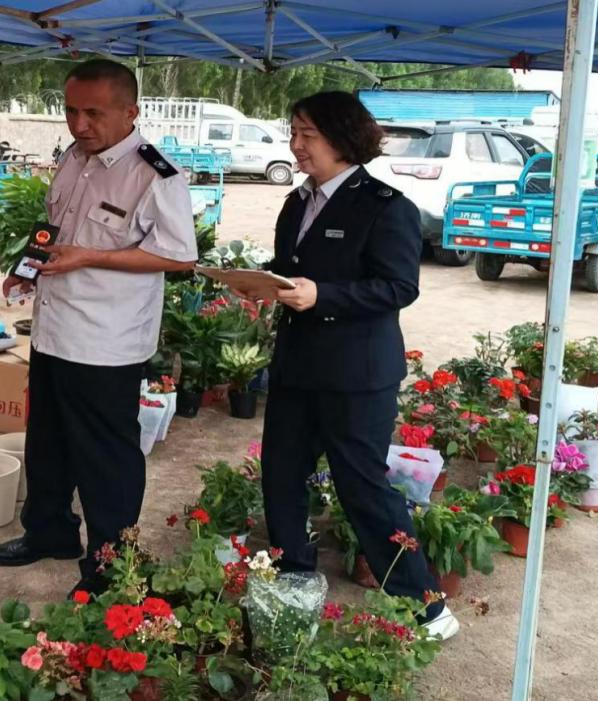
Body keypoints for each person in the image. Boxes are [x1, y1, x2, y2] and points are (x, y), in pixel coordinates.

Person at [234, 91, 459, 640]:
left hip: (357, 374)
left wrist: (323, 295)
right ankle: (294, 579)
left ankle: (426, 605)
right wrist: (259, 282)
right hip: (297, 366)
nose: (295, 144)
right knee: (281, 475)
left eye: (307, 135)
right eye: (293, 132)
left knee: (362, 486)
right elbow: (290, 268)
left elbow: (399, 287)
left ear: (341, 138)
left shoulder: (385, 206)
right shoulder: (297, 202)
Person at [0, 60, 198, 596]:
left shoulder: (155, 175)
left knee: (106, 459)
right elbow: (54, 227)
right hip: (54, 329)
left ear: (131, 112)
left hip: (106, 341)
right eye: (71, 111)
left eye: (94, 114)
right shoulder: (74, 158)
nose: (79, 124)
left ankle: (110, 568)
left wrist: (90, 257)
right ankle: (49, 532)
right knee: (47, 441)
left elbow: (179, 256)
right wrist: (27, 267)